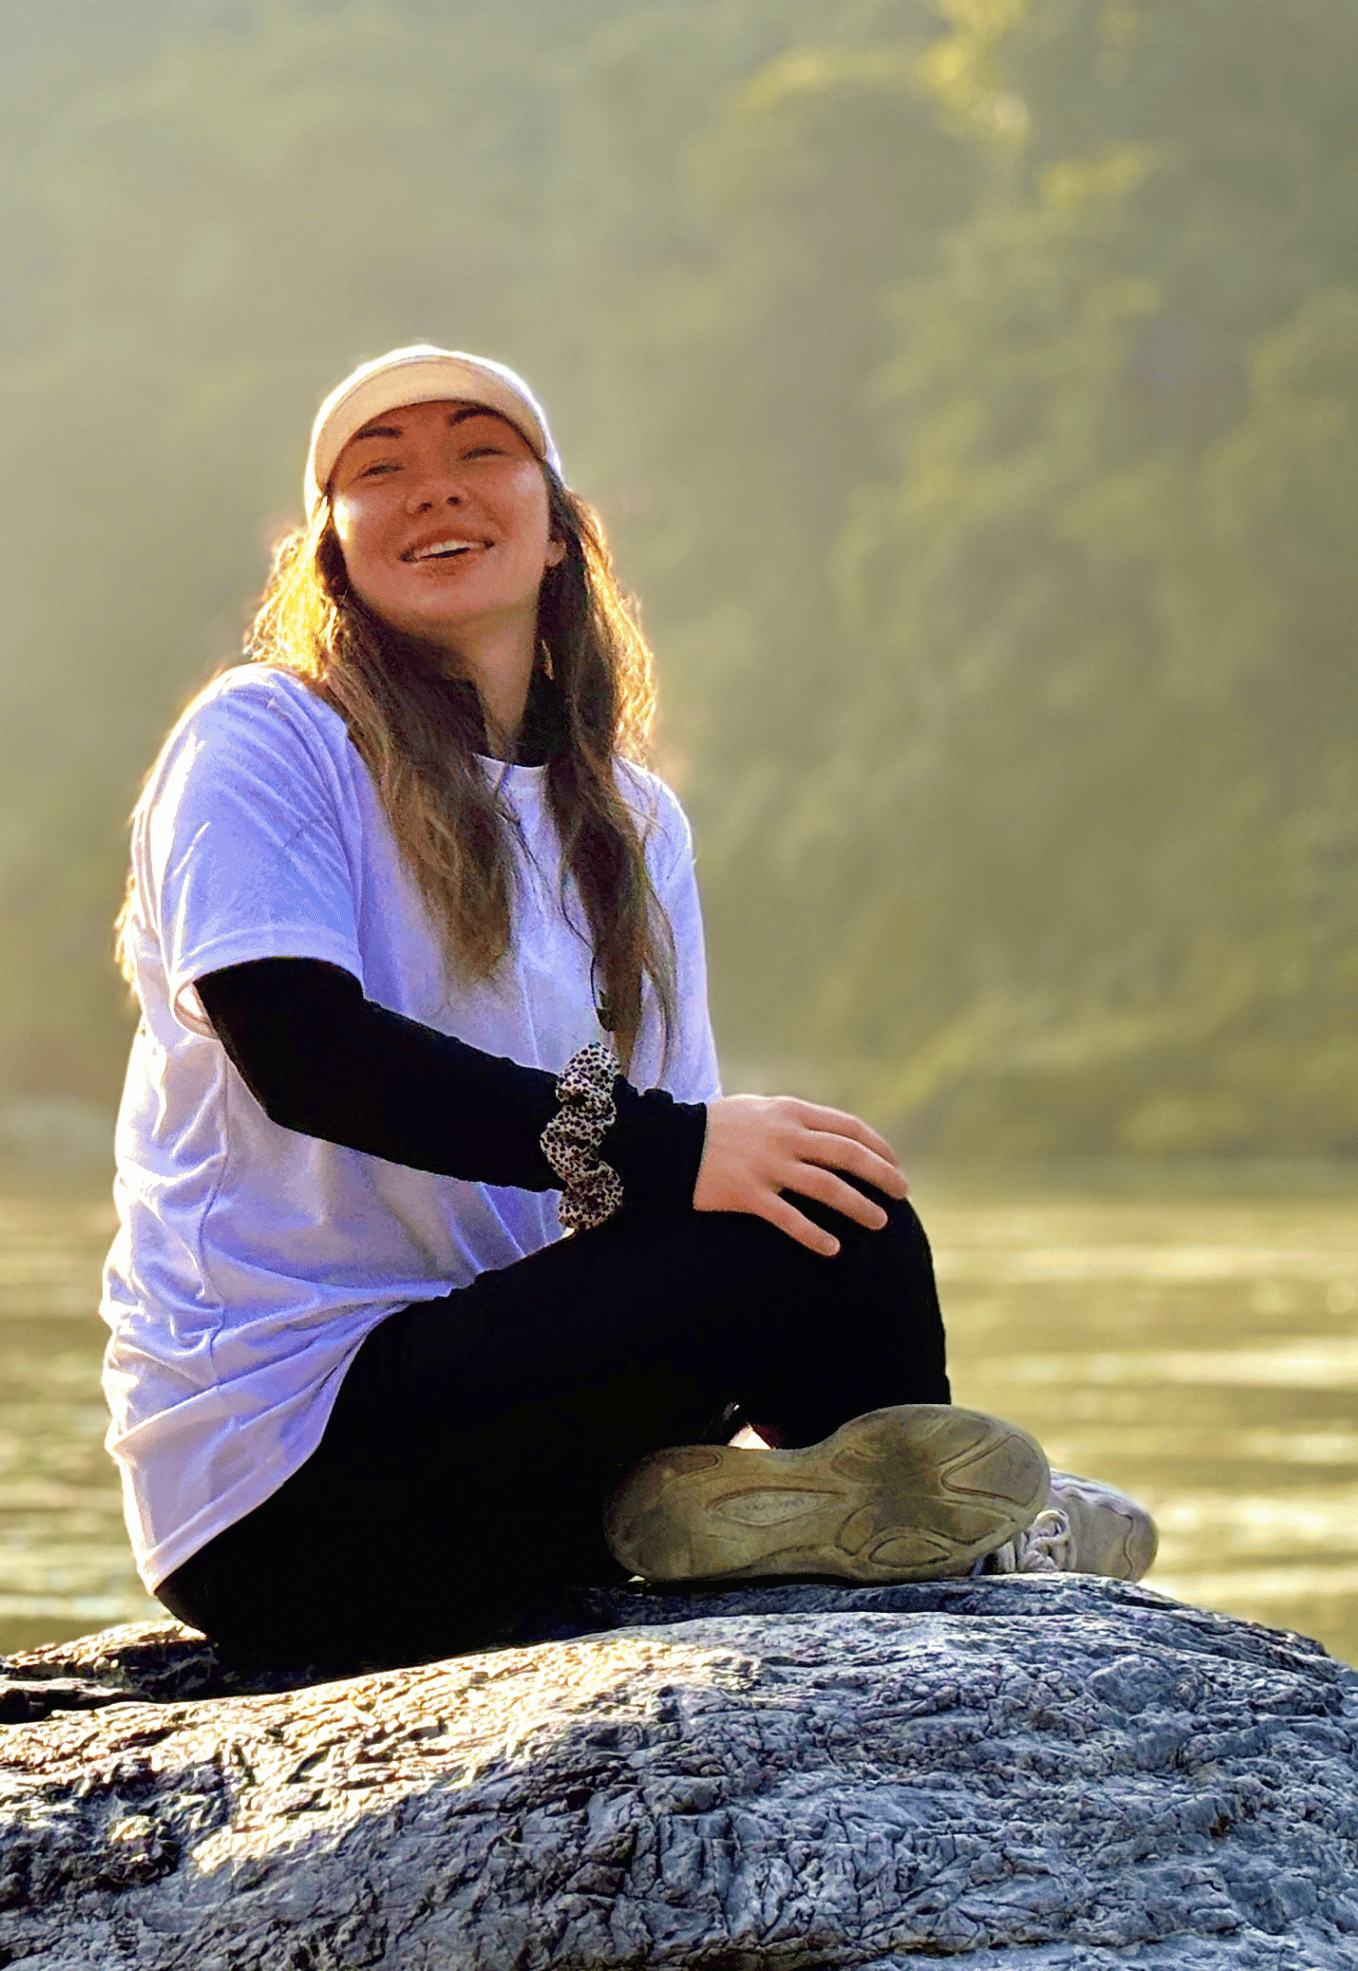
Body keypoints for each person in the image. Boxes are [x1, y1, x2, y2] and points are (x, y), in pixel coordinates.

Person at [101, 344, 1155, 1671]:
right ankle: (933, 1532)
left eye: (479, 452)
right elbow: (306, 1055)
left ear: (557, 529)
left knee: (833, 1201)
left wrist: (705, 1194)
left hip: (508, 1435)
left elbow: (683, 1199)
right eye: (381, 470)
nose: (433, 487)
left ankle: (864, 1511)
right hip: (291, 1486)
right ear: (333, 549)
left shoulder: (631, 821)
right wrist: (675, 1148)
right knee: (759, 1196)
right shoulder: (269, 737)